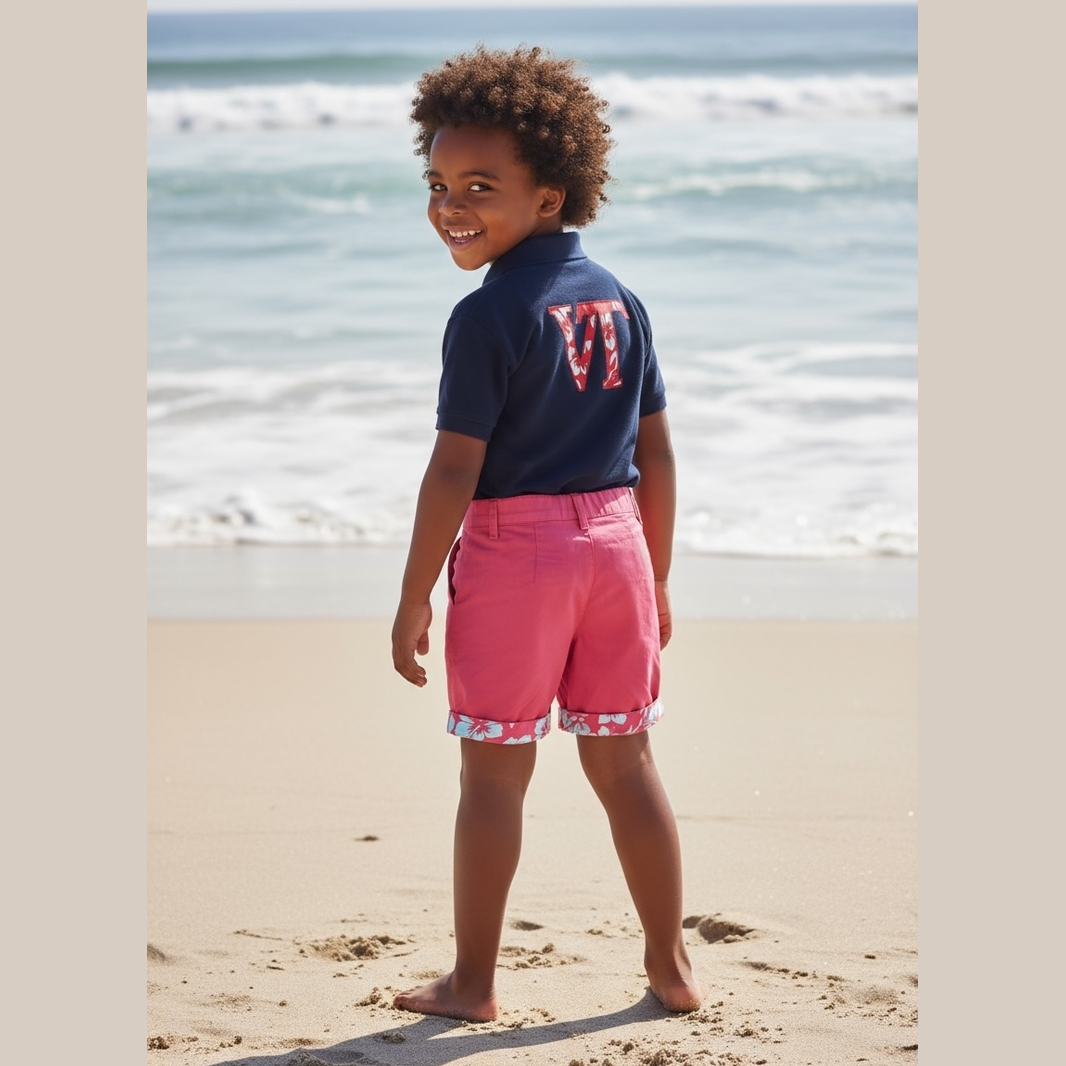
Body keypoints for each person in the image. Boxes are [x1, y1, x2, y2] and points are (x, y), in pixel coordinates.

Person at [390, 44, 704, 1022]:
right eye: (438, 184)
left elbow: (455, 467)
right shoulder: (620, 300)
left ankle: (473, 983)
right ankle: (671, 967)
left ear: (551, 194)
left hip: (515, 555)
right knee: (627, 764)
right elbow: (657, 454)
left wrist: (413, 593)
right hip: (615, 545)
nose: (451, 206)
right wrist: (656, 575)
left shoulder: (488, 315)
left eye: (479, 187)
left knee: (493, 776)